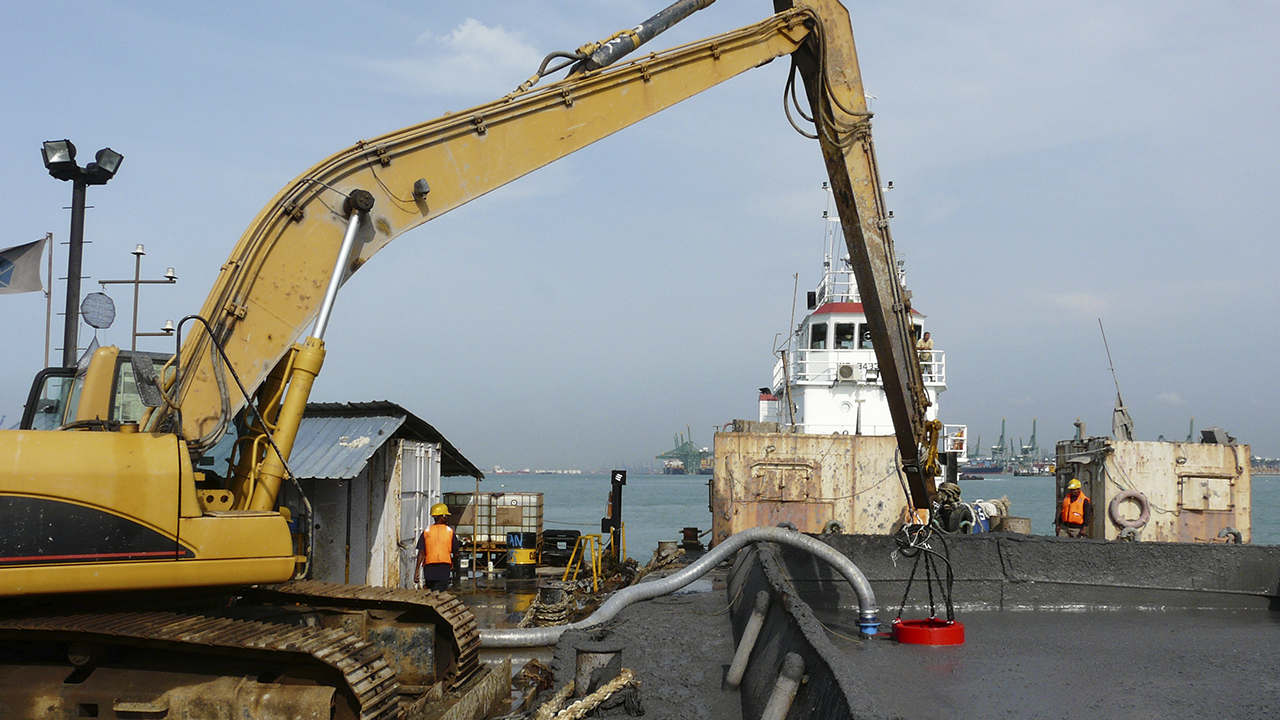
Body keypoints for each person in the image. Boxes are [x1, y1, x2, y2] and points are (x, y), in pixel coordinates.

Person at [415, 503, 461, 590]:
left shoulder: (427, 531)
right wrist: (452, 564)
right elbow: (456, 554)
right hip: (444, 567)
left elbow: (421, 552)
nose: (447, 518)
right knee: (441, 592)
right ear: (442, 517)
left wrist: (416, 571)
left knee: (430, 591)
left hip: (429, 568)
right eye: (446, 516)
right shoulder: (450, 532)